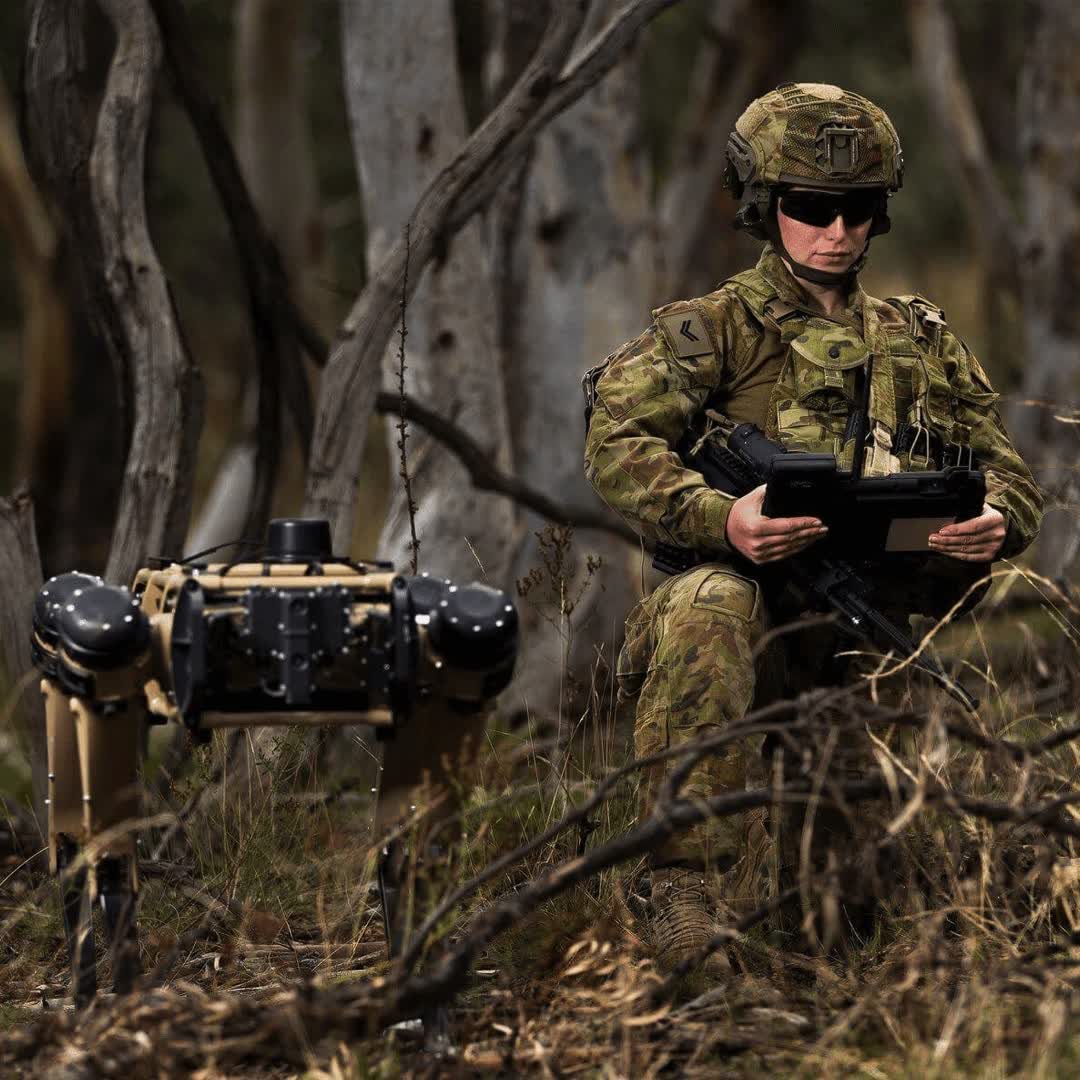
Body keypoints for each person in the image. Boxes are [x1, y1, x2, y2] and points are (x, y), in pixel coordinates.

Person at [582, 82, 1043, 975]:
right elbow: (616, 442)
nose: (836, 231)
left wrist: (996, 520)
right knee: (710, 601)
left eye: (859, 208)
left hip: (860, 619)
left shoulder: (923, 340)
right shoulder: (709, 332)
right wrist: (720, 518)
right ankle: (682, 890)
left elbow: (1009, 467)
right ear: (764, 205)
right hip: (735, 615)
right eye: (810, 207)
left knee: (852, 916)